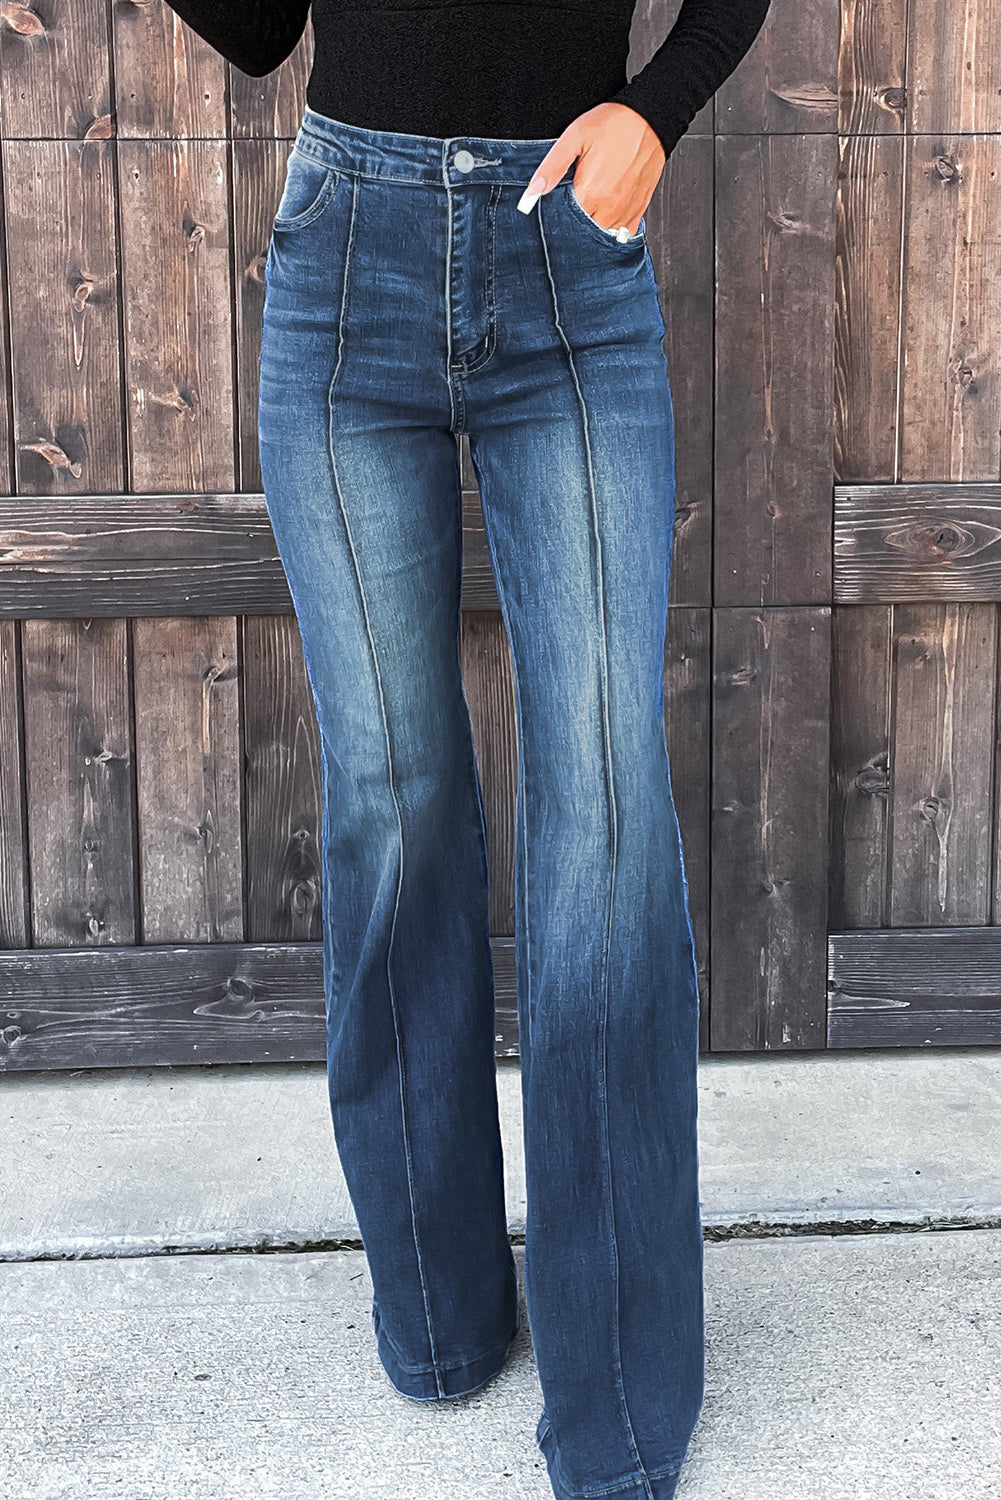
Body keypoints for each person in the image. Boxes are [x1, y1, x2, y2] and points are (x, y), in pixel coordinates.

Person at [164, 3, 771, 1496]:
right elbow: (260, 31)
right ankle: (439, 1313)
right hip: (346, 252)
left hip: (566, 249)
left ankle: (616, 1404)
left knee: (604, 819)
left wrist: (657, 109)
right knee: (393, 799)